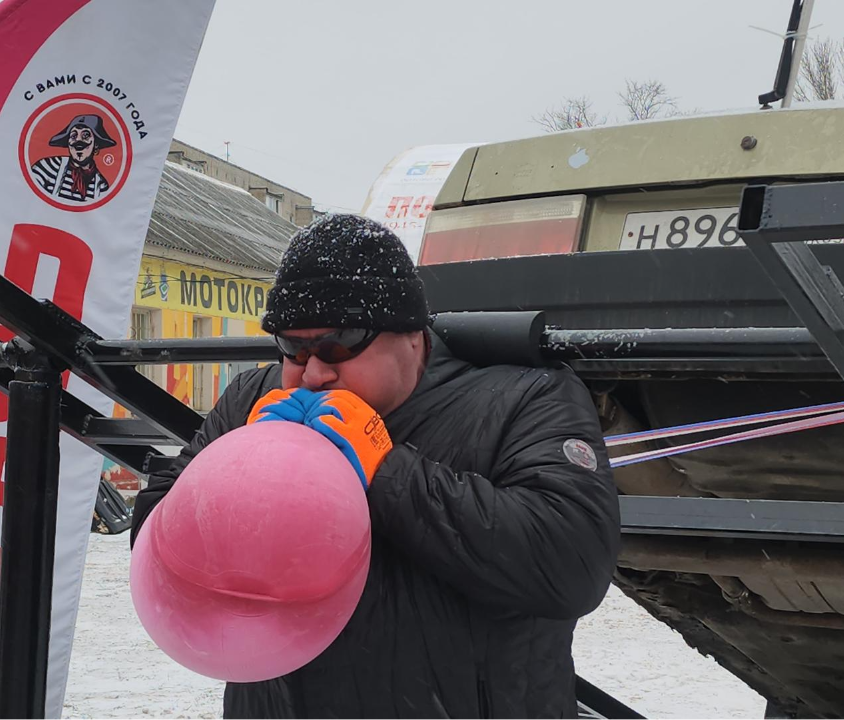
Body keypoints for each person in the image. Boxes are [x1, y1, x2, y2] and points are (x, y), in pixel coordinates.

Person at [131, 214, 621, 720]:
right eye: (293, 348)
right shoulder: (252, 398)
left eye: (340, 344)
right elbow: (152, 536)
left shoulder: (528, 398)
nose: (314, 373)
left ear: (411, 334)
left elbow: (571, 565)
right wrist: (237, 472)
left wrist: (385, 469)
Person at [30, 114, 114, 202]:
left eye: (85, 135)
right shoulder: (47, 167)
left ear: (96, 145)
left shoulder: (101, 185)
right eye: (73, 136)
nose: (78, 141)